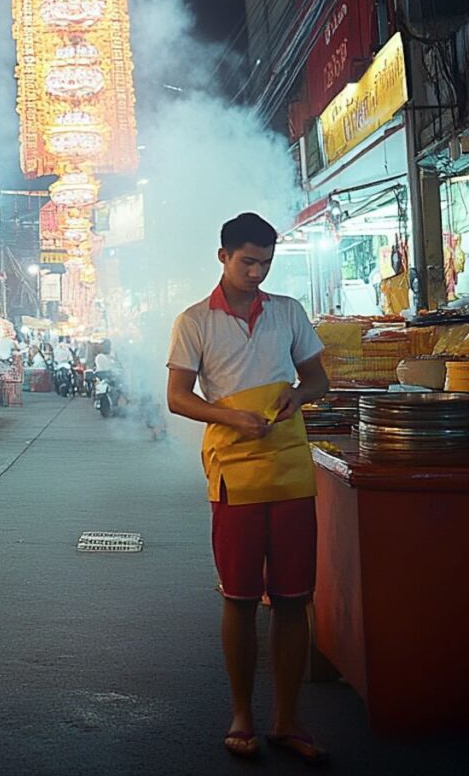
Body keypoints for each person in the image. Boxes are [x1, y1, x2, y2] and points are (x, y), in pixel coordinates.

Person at [166, 212, 329, 763]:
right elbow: (178, 398)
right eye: (247, 262)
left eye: (265, 263)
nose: (257, 273)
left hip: (289, 468)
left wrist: (297, 397)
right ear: (223, 257)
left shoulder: (288, 312)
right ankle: (242, 713)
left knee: (293, 597)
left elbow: (318, 378)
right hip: (234, 472)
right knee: (238, 598)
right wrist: (233, 419)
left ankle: (288, 719)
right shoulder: (194, 321)